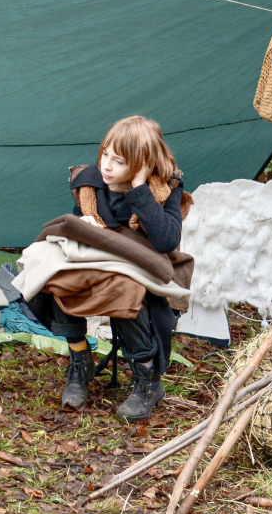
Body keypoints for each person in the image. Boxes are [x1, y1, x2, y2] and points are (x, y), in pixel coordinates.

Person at [28, 115, 188, 421]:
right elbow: (83, 232)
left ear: (143, 163)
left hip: (146, 268)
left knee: (125, 288)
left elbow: (166, 240)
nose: (107, 166)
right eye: (105, 154)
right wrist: (83, 224)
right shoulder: (91, 184)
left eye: (119, 161)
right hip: (98, 261)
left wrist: (139, 189)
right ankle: (79, 358)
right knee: (53, 273)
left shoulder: (164, 188)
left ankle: (148, 380)